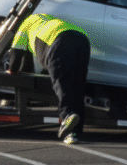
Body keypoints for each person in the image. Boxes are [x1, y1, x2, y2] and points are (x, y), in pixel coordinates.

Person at [7, 13, 90, 145]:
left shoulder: (25, 25)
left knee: (61, 82)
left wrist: (12, 69)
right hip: (82, 39)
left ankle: (67, 115)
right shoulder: (44, 18)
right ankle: (74, 134)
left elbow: (17, 51)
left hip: (59, 41)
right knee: (78, 87)